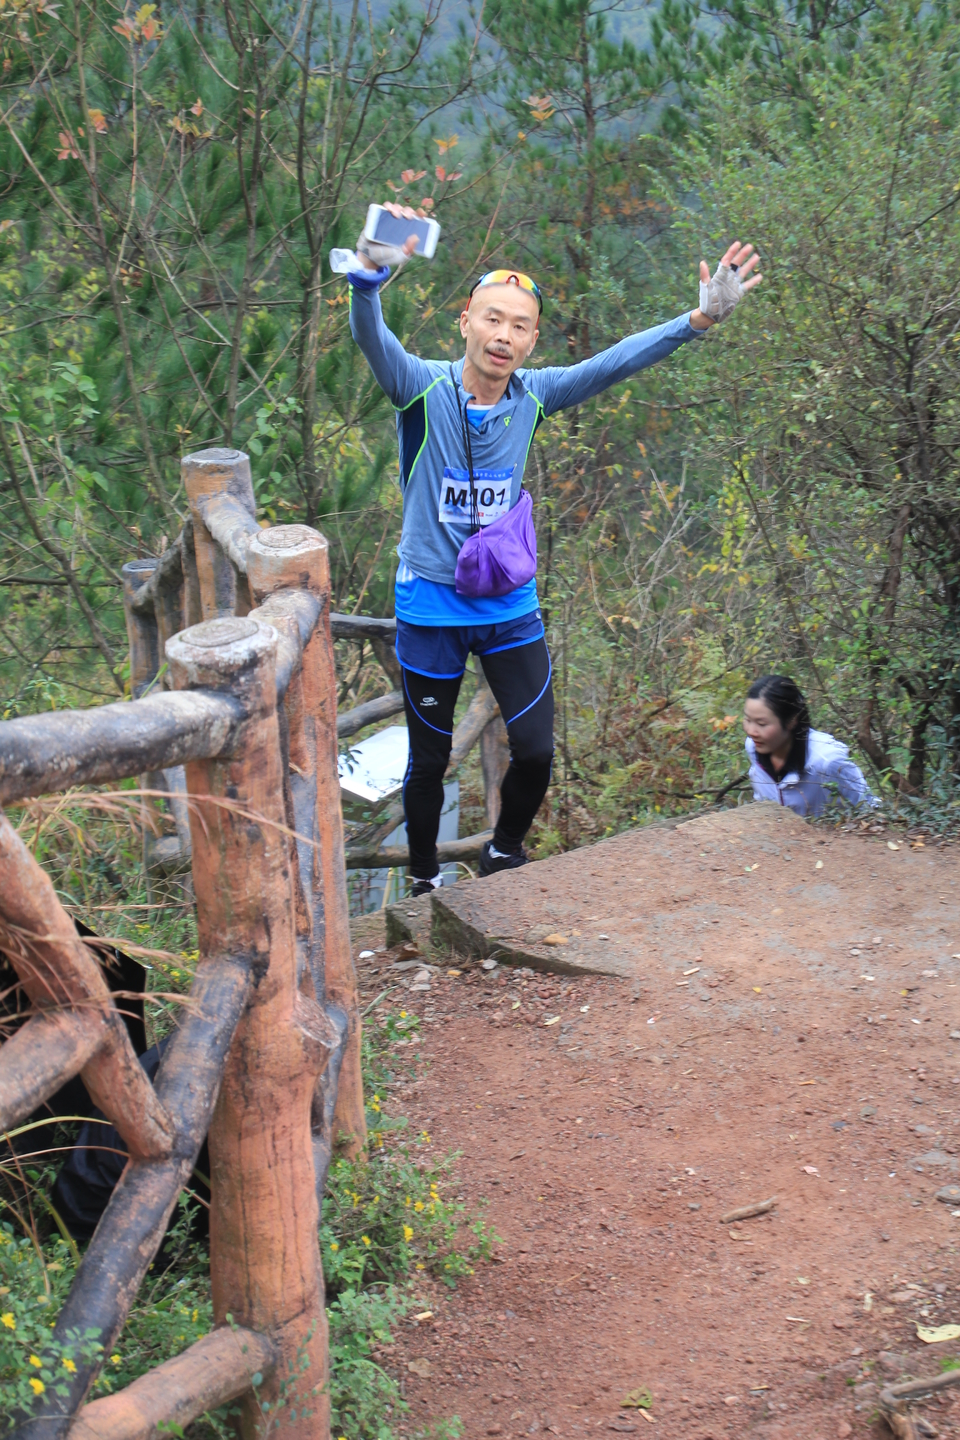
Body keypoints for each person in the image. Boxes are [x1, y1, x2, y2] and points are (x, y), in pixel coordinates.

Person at [346, 202, 762, 894]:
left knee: (536, 747)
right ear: (466, 324)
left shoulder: (534, 396)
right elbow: (374, 341)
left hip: (508, 601)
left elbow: (613, 362)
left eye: (520, 326)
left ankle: (503, 853)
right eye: (492, 319)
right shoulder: (420, 389)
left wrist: (699, 321)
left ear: (533, 341)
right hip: (431, 604)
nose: (503, 336)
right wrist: (367, 280)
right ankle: (423, 884)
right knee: (429, 760)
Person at [743, 674, 877, 816]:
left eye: (762, 724)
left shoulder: (828, 762)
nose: (751, 731)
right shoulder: (754, 747)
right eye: (747, 720)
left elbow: (871, 809)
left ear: (791, 721)